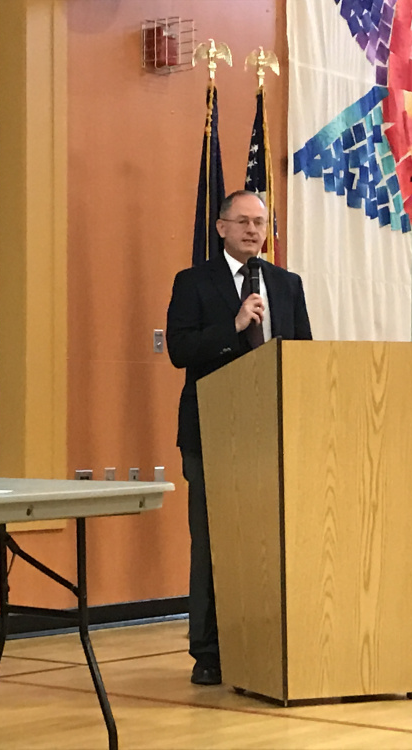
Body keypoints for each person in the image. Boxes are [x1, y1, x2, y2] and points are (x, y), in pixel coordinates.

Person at [166, 191, 312, 686]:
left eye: (260, 223)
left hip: (272, 433)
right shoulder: (193, 282)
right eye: (243, 221)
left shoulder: (287, 284)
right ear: (221, 227)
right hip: (211, 432)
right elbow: (181, 351)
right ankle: (209, 652)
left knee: (270, 541)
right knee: (212, 541)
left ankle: (267, 642)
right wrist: (233, 325)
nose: (253, 230)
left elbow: (302, 355)